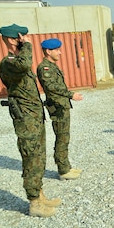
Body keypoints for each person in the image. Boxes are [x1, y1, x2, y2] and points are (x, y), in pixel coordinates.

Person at [0, 24, 60, 217]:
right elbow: (24, 65)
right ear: (11, 39)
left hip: (33, 117)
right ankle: (34, 203)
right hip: (25, 120)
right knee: (31, 157)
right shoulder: (9, 62)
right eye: (21, 37)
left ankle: (40, 195)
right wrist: (27, 46)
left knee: (39, 156)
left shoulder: (18, 60)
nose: (25, 39)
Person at [37, 38, 83, 181]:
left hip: (62, 106)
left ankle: (66, 166)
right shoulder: (45, 68)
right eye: (56, 50)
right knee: (61, 138)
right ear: (48, 51)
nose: (60, 52)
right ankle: (63, 171)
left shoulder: (52, 66)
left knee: (65, 137)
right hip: (57, 108)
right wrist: (71, 95)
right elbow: (51, 88)